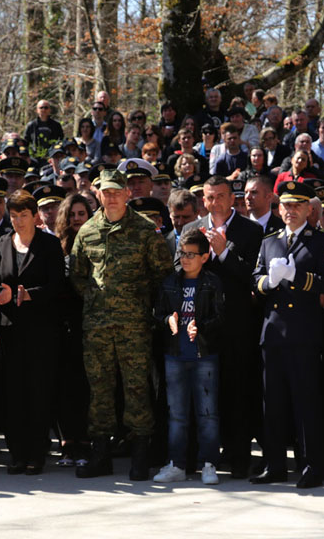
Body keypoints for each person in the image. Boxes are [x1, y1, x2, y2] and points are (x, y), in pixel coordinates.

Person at [69, 168, 174, 481]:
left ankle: (141, 455)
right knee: (100, 390)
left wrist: (140, 306)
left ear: (128, 193)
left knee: (137, 389)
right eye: (106, 191)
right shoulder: (87, 231)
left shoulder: (144, 231)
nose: (111, 196)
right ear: (98, 193)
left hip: (134, 328)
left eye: (117, 191)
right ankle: (100, 453)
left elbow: (162, 277)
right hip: (97, 327)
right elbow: (77, 275)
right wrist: (97, 303)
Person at [250, 180, 324, 489]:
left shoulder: (322, 242)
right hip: (273, 333)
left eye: (297, 205)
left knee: (306, 403)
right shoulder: (270, 241)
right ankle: (274, 465)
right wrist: (270, 282)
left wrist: (296, 276)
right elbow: (256, 280)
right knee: (273, 403)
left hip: (304, 333)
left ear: (308, 209)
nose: (290, 211)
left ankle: (312, 465)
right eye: (286, 205)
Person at [180, 177, 265, 479]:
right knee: (199, 394)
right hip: (201, 324)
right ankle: (198, 459)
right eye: (208, 197)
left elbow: (253, 277)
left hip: (236, 325)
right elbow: (182, 271)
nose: (214, 202)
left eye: (220, 196)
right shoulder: (192, 230)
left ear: (233, 199)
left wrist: (224, 253)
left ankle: (238, 458)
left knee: (235, 393)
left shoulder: (251, 231)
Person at [0, 190, 66, 475]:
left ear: (35, 216)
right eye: (14, 216)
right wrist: (4, 293)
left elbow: (57, 285)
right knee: (13, 394)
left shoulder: (49, 244)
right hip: (10, 331)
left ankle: (36, 453)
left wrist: (29, 295)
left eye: (24, 215)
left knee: (38, 391)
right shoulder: (0, 245)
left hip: (42, 331)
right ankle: (17, 454)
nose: (19, 221)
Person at [152, 229, 225, 485]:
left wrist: (201, 328)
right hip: (175, 355)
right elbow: (157, 312)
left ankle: (209, 464)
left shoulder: (212, 282)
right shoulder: (170, 282)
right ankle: (177, 464)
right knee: (177, 414)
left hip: (204, 356)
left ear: (204, 257)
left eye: (191, 255)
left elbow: (221, 317)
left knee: (207, 413)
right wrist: (167, 320)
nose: (185, 259)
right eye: (182, 253)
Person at [53, 194, 93, 466]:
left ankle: (86, 441)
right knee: (66, 385)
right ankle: (68, 442)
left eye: (82, 213)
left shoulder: (99, 242)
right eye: (73, 214)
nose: (77, 219)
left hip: (92, 324)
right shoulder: (56, 248)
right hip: (65, 325)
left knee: (88, 386)